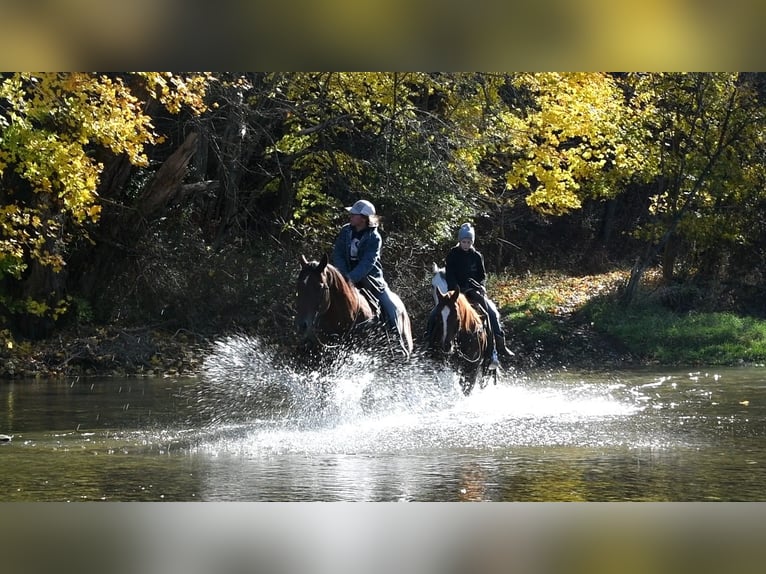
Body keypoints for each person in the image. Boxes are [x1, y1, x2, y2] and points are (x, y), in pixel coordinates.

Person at [428, 222, 514, 364]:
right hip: (455, 292)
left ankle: (497, 347)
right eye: (464, 241)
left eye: (469, 242)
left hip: (472, 291)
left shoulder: (477, 256)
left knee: (490, 313)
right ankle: (429, 341)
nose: (466, 244)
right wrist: (455, 287)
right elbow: (449, 273)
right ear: (459, 241)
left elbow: (482, 275)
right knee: (435, 313)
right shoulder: (452, 255)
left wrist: (479, 285)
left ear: (472, 242)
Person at [332, 199, 408, 340]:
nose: (351, 216)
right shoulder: (345, 231)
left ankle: (397, 342)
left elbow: (368, 262)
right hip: (344, 276)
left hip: (370, 279)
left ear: (363, 219)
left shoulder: (374, 237)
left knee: (391, 306)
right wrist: (342, 276)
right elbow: (338, 253)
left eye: (354, 214)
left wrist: (350, 278)